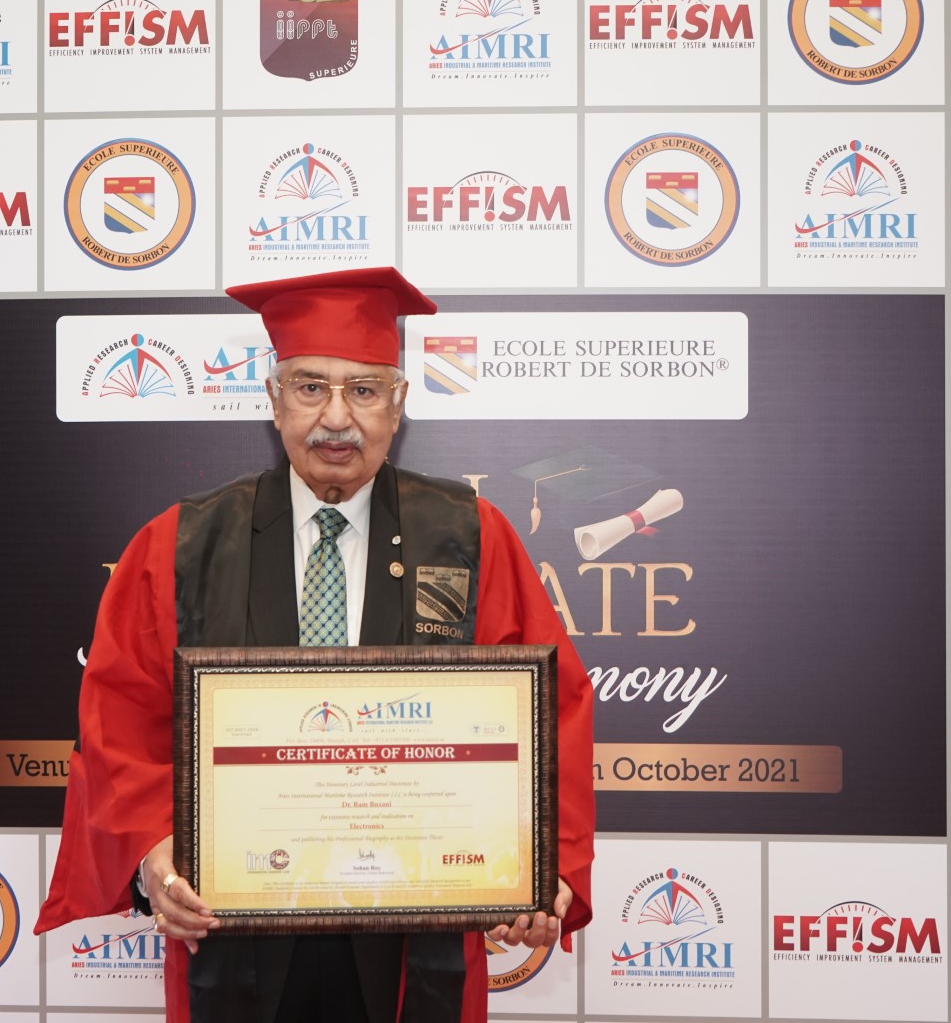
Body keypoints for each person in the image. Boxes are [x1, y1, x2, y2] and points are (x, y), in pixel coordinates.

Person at [37, 266, 595, 1023]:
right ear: (273, 401)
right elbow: (121, 719)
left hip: (417, 920)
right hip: (235, 915)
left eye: (364, 390)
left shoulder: (468, 536)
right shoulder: (183, 544)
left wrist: (542, 862)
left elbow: (551, 709)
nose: (337, 418)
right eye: (310, 387)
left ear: (398, 403)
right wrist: (152, 849)